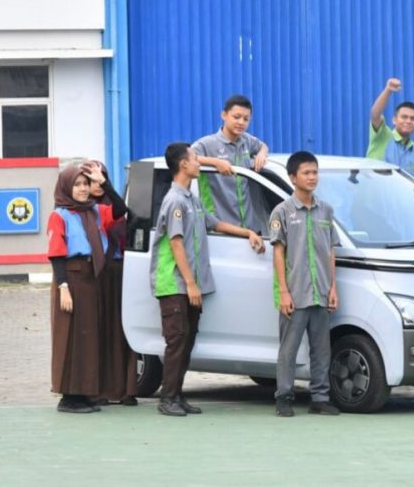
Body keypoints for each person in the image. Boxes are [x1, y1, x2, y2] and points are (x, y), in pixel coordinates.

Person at [150, 142, 266, 416]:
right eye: (195, 159)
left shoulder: (191, 198)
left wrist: (247, 232)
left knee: (187, 341)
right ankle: (167, 398)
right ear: (183, 165)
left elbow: (213, 223)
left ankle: (177, 395)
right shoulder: (175, 201)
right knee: (177, 341)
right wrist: (190, 284)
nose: (199, 163)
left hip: (190, 284)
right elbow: (176, 244)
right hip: (175, 284)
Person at [268, 151, 341, 417]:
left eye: (315, 172)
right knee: (288, 349)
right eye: (306, 173)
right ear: (292, 177)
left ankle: (320, 398)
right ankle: (283, 397)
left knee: (322, 349)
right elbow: (278, 252)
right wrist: (284, 292)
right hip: (295, 294)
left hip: (320, 292)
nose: (312, 177)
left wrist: (333, 288)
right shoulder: (283, 211)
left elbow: (330, 251)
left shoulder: (326, 210)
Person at [46, 166, 109, 413]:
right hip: (70, 278)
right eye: (77, 184)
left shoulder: (92, 211)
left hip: (90, 276)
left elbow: (120, 210)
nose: (83, 189)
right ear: (66, 188)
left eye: (86, 184)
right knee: (70, 336)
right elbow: (56, 254)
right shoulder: (60, 215)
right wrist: (63, 287)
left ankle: (83, 393)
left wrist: (103, 182)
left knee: (87, 337)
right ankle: (68, 397)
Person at [82, 160, 138, 406]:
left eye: (100, 179)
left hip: (119, 272)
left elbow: (121, 208)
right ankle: (99, 390)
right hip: (97, 274)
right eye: (89, 181)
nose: (95, 185)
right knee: (99, 330)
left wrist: (106, 185)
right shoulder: (82, 211)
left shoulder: (109, 205)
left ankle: (124, 389)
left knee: (122, 329)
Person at [193, 95, 270, 232]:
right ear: (224, 115)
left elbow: (262, 145)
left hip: (249, 228)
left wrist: (262, 153)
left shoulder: (246, 141)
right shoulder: (208, 144)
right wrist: (215, 162)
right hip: (220, 229)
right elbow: (186, 157)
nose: (241, 122)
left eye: (246, 119)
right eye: (236, 117)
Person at [366, 77, 414, 192]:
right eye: (404, 117)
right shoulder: (382, 136)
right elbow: (375, 114)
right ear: (394, 120)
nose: (408, 121)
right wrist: (388, 90)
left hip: (401, 205)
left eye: (413, 118)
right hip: (375, 201)